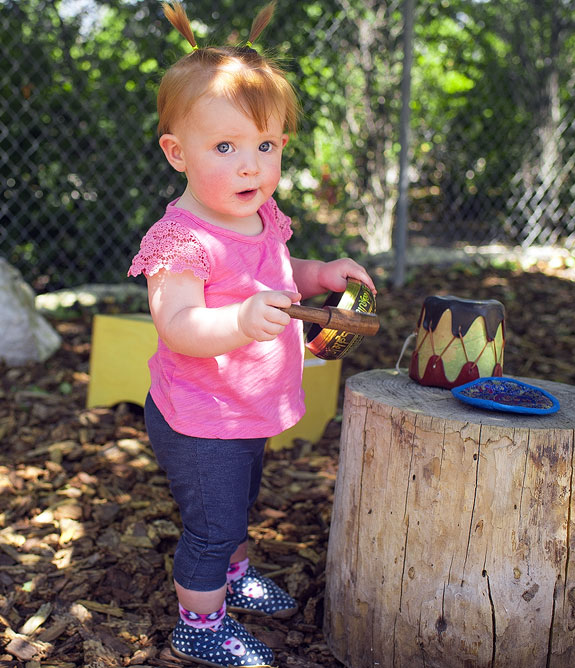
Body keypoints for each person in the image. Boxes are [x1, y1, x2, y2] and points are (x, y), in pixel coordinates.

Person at [128, 2, 377, 666]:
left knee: (239, 502)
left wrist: (319, 272)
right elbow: (177, 324)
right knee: (211, 526)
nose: (250, 166)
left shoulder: (260, 215)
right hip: (199, 415)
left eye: (264, 146)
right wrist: (238, 322)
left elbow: (275, 270)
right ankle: (199, 625)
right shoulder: (180, 239)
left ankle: (232, 580)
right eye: (226, 147)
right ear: (177, 153)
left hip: (243, 409)